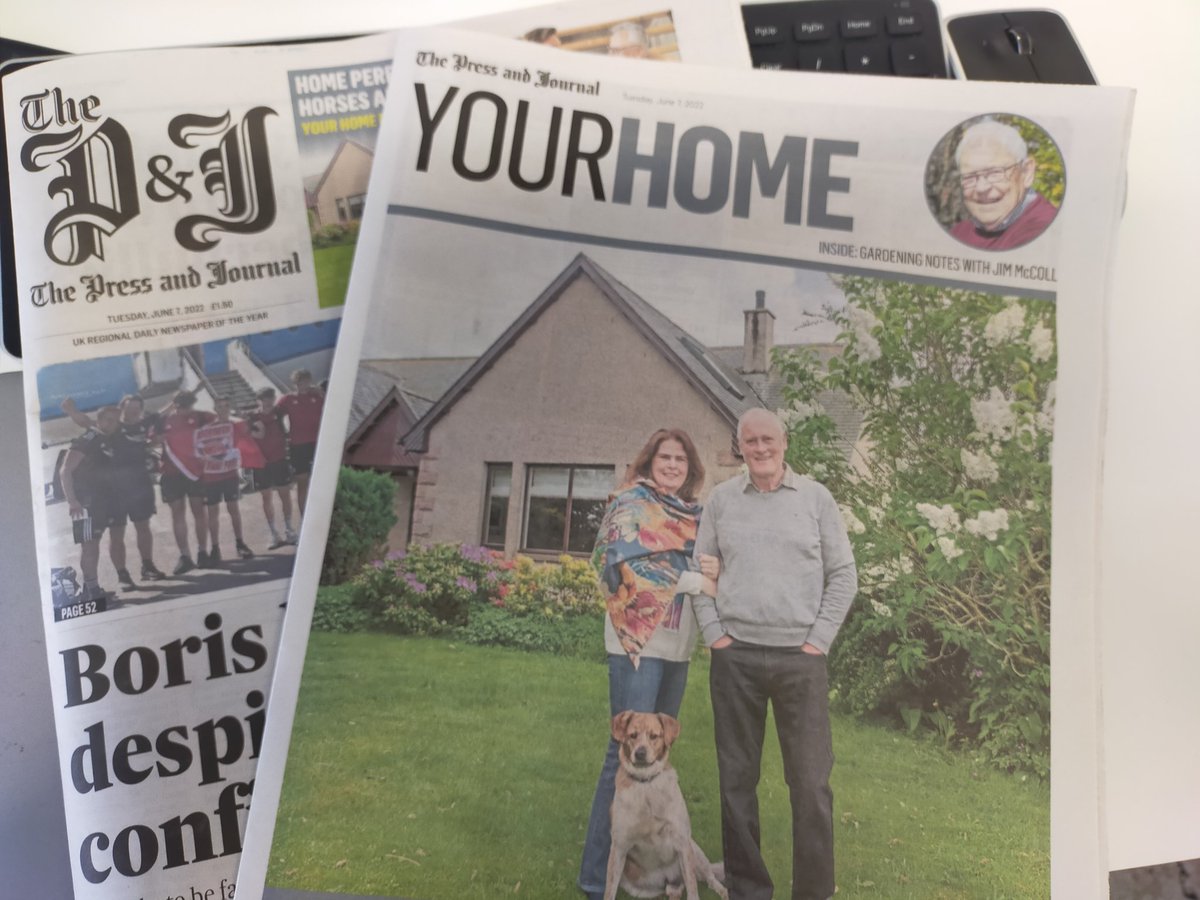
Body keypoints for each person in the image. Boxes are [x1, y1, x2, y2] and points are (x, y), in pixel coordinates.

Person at [692, 408, 857, 900]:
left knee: (810, 786)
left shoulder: (815, 499)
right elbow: (700, 574)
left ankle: (813, 892)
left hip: (799, 661)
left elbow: (844, 574)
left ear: (785, 443)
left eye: (768, 439)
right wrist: (715, 634)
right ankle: (747, 889)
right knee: (736, 781)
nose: (760, 448)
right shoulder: (721, 501)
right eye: (750, 441)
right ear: (739, 448)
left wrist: (817, 642)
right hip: (736, 657)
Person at [577, 428, 719, 900]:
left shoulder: (692, 514)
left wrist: (707, 574)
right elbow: (630, 570)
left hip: (676, 643)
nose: (673, 465)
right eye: (665, 457)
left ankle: (653, 856)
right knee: (619, 753)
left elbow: (704, 564)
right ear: (650, 461)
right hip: (635, 642)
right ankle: (597, 880)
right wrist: (699, 582)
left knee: (656, 753)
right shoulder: (630, 504)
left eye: (681, 458)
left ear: (691, 468)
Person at [61, 394, 167, 586]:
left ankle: (140, 569)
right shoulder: (95, 435)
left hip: (129, 492)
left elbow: (160, 417)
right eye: (129, 409)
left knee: (133, 531)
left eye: (137, 409)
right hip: (100, 498)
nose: (133, 412)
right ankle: (108, 581)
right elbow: (86, 423)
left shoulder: (124, 430)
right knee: (100, 540)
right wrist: (71, 411)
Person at [948, 119, 1058, 251]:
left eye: (995, 173)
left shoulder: (1043, 232)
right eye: (970, 176)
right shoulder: (960, 231)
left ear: (1026, 172)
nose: (981, 188)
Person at [58, 405, 123, 604]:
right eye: (110, 420)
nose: (113, 424)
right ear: (101, 420)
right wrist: (72, 501)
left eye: (116, 420)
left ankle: (91, 588)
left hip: (101, 502)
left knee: (94, 545)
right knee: (89, 546)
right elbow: (65, 471)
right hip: (85, 503)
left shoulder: (106, 439)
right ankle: (90, 592)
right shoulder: (87, 440)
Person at [155, 389, 214, 573]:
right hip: (171, 473)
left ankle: (203, 552)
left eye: (188, 405)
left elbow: (220, 423)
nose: (186, 410)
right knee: (177, 515)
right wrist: (158, 436)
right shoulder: (163, 421)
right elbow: (151, 430)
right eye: (181, 406)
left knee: (199, 512)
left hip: (195, 472)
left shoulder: (200, 417)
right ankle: (185, 556)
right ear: (175, 405)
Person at [196, 396, 258, 563]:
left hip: (230, 474)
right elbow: (199, 449)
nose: (223, 409)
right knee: (212, 513)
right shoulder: (206, 428)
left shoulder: (235, 425)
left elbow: (250, 436)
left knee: (234, 510)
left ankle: (240, 543)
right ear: (215, 408)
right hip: (211, 476)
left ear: (229, 407)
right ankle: (215, 548)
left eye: (226, 406)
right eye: (220, 406)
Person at [248, 386, 298, 548]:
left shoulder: (279, 412)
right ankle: (273, 533)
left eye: (270, 398)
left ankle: (289, 530)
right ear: (259, 400)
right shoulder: (252, 417)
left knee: (285, 495)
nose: (268, 401)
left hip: (280, 459)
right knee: (266, 497)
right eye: (264, 398)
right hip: (261, 463)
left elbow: (293, 398)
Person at [274, 368, 324, 514]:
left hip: (317, 444)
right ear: (295, 383)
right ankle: (304, 517)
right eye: (300, 382)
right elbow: (275, 416)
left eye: (307, 381)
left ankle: (320, 514)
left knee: (319, 481)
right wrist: (284, 433)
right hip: (298, 445)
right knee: (302, 482)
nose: (304, 385)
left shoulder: (318, 397)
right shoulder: (288, 399)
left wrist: (322, 392)